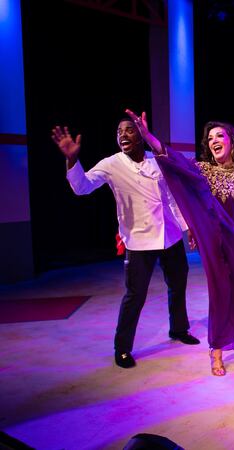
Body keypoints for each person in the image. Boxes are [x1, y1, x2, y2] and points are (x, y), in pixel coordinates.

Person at [123, 111, 234, 376]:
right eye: (209, 138)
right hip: (221, 248)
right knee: (222, 295)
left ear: (233, 141)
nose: (214, 141)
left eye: (220, 135)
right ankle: (216, 349)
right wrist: (149, 137)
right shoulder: (204, 172)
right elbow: (174, 161)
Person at [51, 121, 199, 369]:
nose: (122, 135)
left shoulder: (157, 160)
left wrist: (188, 226)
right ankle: (122, 348)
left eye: (128, 130)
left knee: (178, 284)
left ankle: (179, 329)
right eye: (118, 132)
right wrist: (72, 161)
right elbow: (82, 187)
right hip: (138, 240)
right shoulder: (112, 164)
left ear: (141, 135)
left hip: (170, 235)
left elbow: (171, 198)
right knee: (135, 295)